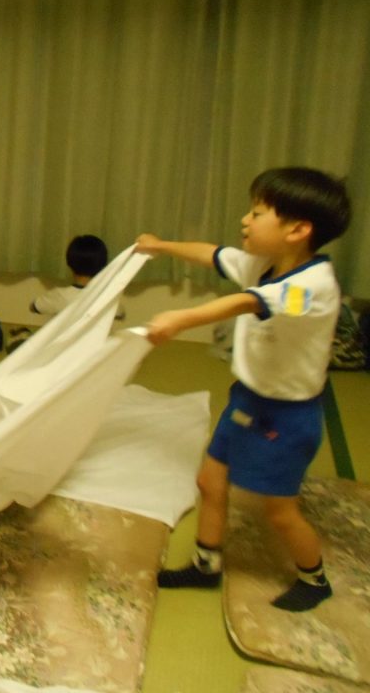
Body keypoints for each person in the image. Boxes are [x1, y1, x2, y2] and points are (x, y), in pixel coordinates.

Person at [136, 166, 351, 612]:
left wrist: (181, 318)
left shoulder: (314, 287)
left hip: (288, 417)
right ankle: (206, 565)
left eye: (257, 213)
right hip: (247, 399)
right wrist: (161, 246)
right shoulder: (263, 264)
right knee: (209, 481)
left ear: (297, 229)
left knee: (280, 512)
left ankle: (314, 579)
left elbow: (249, 301)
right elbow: (213, 254)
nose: (245, 220)